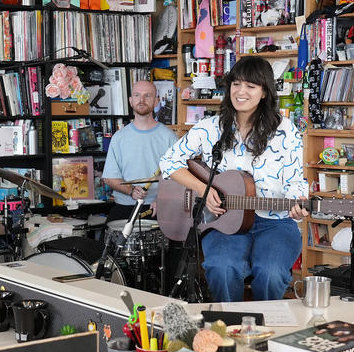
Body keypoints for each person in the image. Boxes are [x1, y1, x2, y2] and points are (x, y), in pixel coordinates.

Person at [160, 56, 309, 302]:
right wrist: (202, 190)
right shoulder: (210, 128)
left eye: (251, 86)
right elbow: (168, 162)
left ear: (264, 93)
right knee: (221, 268)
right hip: (223, 222)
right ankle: (229, 329)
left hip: (275, 223)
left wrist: (298, 201)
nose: (241, 92)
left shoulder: (286, 130)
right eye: (236, 84)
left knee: (270, 273)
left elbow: (295, 180)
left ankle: (266, 330)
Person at [103, 80, 178, 223]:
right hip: (125, 206)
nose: (141, 100)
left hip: (158, 207)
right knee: (106, 242)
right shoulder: (119, 137)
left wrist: (162, 198)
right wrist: (131, 190)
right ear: (131, 101)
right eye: (137, 95)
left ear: (156, 101)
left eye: (147, 96)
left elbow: (178, 177)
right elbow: (109, 178)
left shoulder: (169, 137)